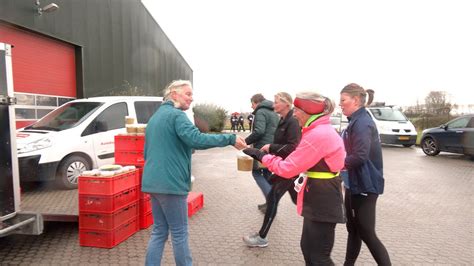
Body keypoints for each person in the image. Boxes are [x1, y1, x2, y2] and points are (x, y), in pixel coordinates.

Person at [142, 80, 247, 266]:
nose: (192, 98)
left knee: (159, 231)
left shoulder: (155, 117)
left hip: (153, 182)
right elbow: (196, 139)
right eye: (188, 94)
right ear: (174, 94)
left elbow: (148, 150)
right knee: (179, 233)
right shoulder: (177, 116)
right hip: (171, 184)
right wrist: (229, 138)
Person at [244, 91, 346, 265]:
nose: (295, 112)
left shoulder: (318, 134)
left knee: (319, 256)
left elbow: (287, 168)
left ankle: (262, 236)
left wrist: (258, 154)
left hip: (323, 198)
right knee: (308, 248)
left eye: (298, 109)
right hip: (317, 195)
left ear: (308, 111)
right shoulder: (317, 130)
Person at [339, 83, 391, 266]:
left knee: (367, 233)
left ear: (355, 100)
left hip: (365, 184)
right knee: (353, 229)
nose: (340, 104)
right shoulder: (355, 120)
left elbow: (360, 156)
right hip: (354, 183)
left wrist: (337, 165)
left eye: (343, 100)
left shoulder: (362, 122)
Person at [242, 92, 301, 248]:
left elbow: (293, 146)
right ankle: (319, 220)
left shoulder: (293, 122)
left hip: (290, 168)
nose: (274, 105)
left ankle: (262, 237)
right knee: (298, 200)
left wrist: (271, 147)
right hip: (285, 167)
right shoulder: (282, 120)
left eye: (276, 102)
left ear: (286, 104)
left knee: (273, 197)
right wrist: (271, 152)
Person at [245, 93, 279, 210]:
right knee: (267, 174)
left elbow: (259, 131)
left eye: (252, 104)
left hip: (261, 148)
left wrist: (246, 141)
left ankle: (272, 200)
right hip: (272, 147)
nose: (251, 107)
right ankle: (269, 203)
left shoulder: (261, 111)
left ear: (257, 102)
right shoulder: (274, 111)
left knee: (257, 173)